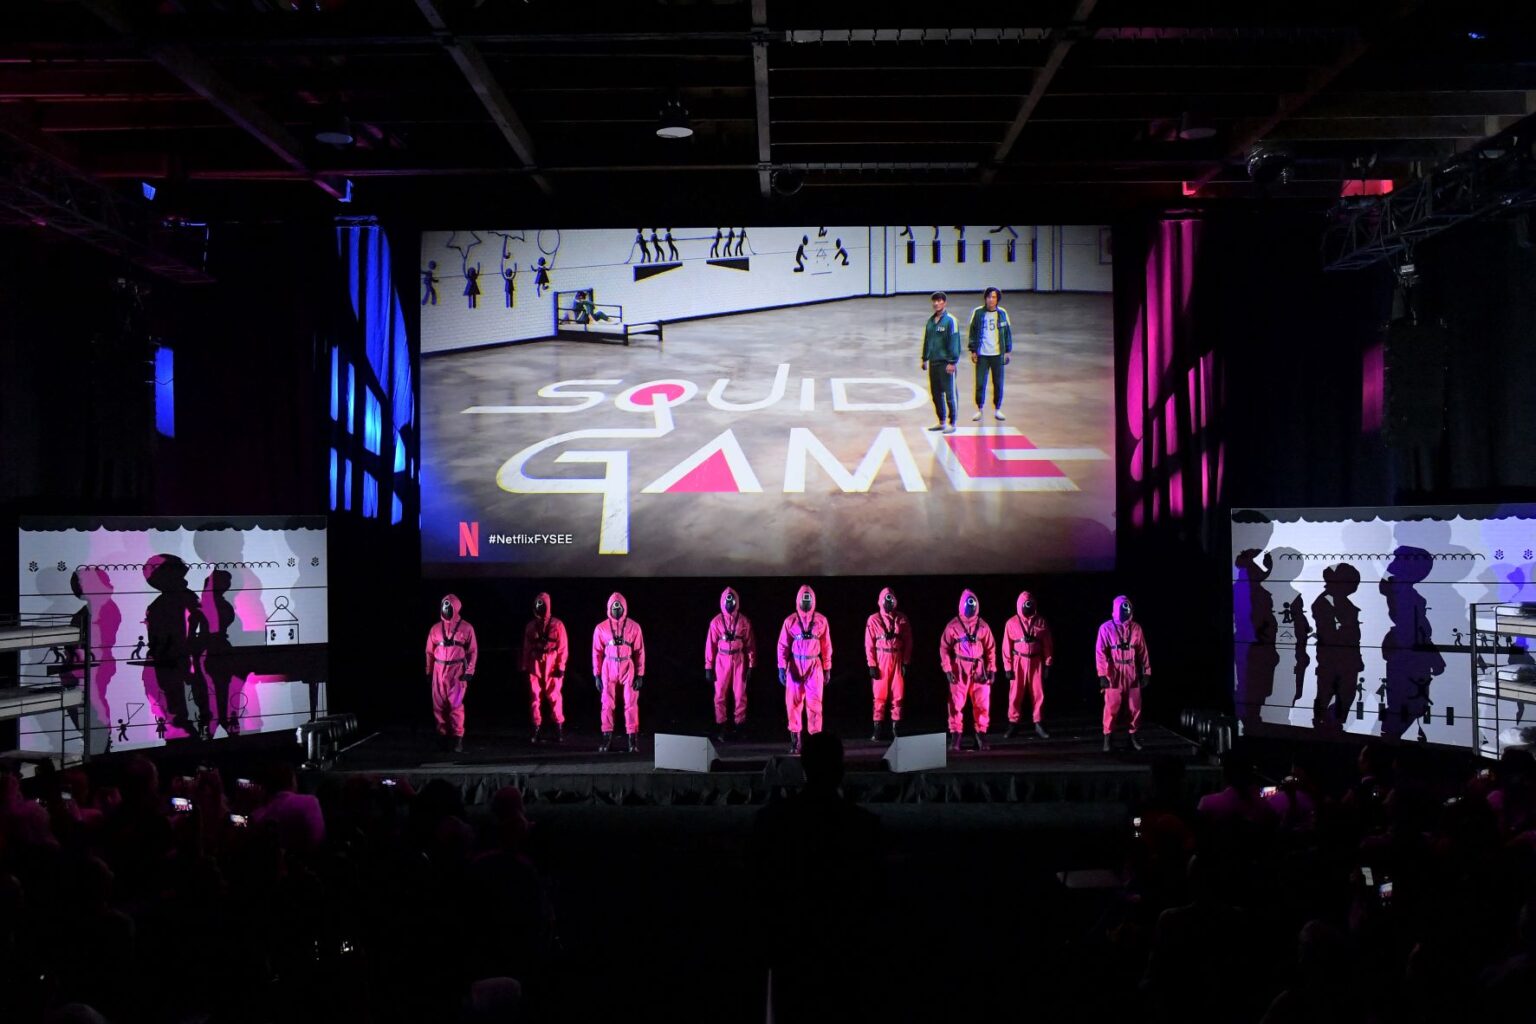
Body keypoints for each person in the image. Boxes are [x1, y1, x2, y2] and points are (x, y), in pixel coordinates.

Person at [749, 733, 883, 1022]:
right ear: (841, 771)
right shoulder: (864, 827)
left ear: (804, 769)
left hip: (790, 949)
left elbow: (758, 891)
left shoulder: (771, 822)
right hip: (844, 951)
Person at [777, 584, 832, 754]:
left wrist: (827, 667)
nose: (806, 603)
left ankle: (815, 743)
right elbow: (783, 645)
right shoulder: (790, 621)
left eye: (808, 600)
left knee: (815, 704)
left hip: (814, 665)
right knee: (793, 704)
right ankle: (795, 742)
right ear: (798, 600)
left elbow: (826, 645)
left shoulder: (821, 620)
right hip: (795, 665)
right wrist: (781, 667)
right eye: (803, 599)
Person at [941, 589, 996, 752]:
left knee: (982, 703)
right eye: (968, 605)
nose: (970, 609)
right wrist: (948, 669)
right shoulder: (953, 625)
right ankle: (956, 735)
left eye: (973, 606)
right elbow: (944, 648)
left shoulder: (983, 626)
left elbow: (991, 648)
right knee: (955, 703)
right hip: (960, 667)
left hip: (978, 669)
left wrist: (991, 668)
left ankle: (981, 735)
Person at [1097, 595, 1151, 752]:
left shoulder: (1136, 628)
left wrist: (1146, 672)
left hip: (1131, 671)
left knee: (1135, 706)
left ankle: (1133, 736)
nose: (1126, 613)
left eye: (1128, 610)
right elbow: (1100, 653)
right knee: (1111, 706)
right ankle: (1107, 738)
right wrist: (1102, 674)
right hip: (1114, 671)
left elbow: (1143, 651)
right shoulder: (1106, 628)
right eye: (1123, 610)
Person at [593, 592, 645, 753]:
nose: (617, 610)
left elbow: (640, 651)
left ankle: (632, 739)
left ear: (624, 608)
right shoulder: (601, 628)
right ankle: (606, 737)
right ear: (609, 608)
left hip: (627, 665)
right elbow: (596, 652)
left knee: (631, 703)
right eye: (614, 607)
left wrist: (640, 674)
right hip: (608, 666)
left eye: (619, 607)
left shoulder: (634, 626)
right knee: (607, 704)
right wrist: (596, 674)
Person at [426, 594, 478, 752]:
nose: (446, 609)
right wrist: (429, 671)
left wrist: (469, 671)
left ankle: (457, 738)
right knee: (438, 705)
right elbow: (429, 652)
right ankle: (442, 736)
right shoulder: (435, 628)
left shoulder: (467, 628)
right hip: (439, 669)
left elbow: (473, 651)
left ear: (455, 608)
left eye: (449, 607)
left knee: (456, 706)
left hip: (456, 671)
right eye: (444, 606)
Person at [705, 586, 755, 742]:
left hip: (739, 659)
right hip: (722, 659)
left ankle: (740, 726)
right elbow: (710, 645)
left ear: (736, 602)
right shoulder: (716, 622)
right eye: (727, 601)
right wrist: (708, 666)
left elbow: (750, 645)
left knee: (740, 695)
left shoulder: (744, 621)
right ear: (722, 602)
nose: (730, 604)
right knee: (719, 694)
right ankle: (721, 726)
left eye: (732, 601)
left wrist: (751, 665)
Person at [1002, 589, 1053, 738]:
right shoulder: (1011, 623)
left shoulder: (1041, 621)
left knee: (1038, 693)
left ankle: (1038, 723)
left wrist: (1048, 664)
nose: (1028, 608)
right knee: (1015, 694)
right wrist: (1008, 667)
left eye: (1030, 605)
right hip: (1018, 661)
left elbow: (1047, 644)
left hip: (1036, 661)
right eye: (1025, 605)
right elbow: (1006, 646)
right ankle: (1013, 723)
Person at [864, 587, 912, 742]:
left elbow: (908, 642)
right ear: (881, 601)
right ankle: (877, 728)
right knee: (879, 696)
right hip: (881, 659)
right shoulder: (873, 620)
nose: (888, 604)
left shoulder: (902, 618)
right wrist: (872, 664)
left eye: (891, 600)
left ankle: (896, 728)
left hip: (897, 658)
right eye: (886, 600)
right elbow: (869, 644)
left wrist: (905, 662)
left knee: (898, 695)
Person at [521, 591, 568, 744]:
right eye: (538, 605)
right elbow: (527, 647)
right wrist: (525, 664)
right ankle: (536, 727)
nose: (539, 608)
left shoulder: (558, 625)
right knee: (535, 696)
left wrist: (561, 666)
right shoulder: (530, 626)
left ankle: (558, 727)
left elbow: (563, 647)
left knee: (554, 696)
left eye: (542, 605)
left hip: (552, 663)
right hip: (535, 662)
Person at [966, 286, 1013, 421]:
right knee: (980, 383)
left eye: (994, 297)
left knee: (998, 383)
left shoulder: (1002, 313)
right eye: (988, 297)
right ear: (985, 298)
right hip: (982, 354)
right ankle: (979, 409)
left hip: (997, 354)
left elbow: (1007, 333)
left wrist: (1007, 351)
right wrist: (973, 350)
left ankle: (997, 409)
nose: (991, 300)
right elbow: (972, 332)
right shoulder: (978, 313)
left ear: (997, 299)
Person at [919, 291, 961, 434]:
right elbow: (927, 341)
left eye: (939, 301)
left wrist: (952, 362)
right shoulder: (931, 322)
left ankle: (952, 422)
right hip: (933, 363)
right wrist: (925, 358)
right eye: (934, 301)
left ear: (945, 303)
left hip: (946, 364)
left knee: (950, 394)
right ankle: (941, 421)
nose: (936, 303)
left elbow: (954, 342)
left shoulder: (950, 321)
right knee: (936, 394)